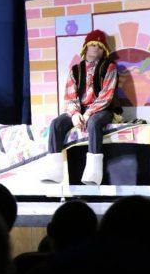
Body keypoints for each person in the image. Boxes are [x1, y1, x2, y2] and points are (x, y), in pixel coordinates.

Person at [40, 29, 119, 185]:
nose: (96, 48)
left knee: (94, 122)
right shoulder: (75, 70)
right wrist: (75, 114)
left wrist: (88, 113)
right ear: (86, 47)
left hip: (102, 109)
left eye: (100, 46)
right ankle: (54, 171)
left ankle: (93, 173)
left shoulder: (109, 67)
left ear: (104, 50)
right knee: (56, 123)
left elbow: (106, 96)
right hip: (80, 109)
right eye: (93, 45)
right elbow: (70, 95)